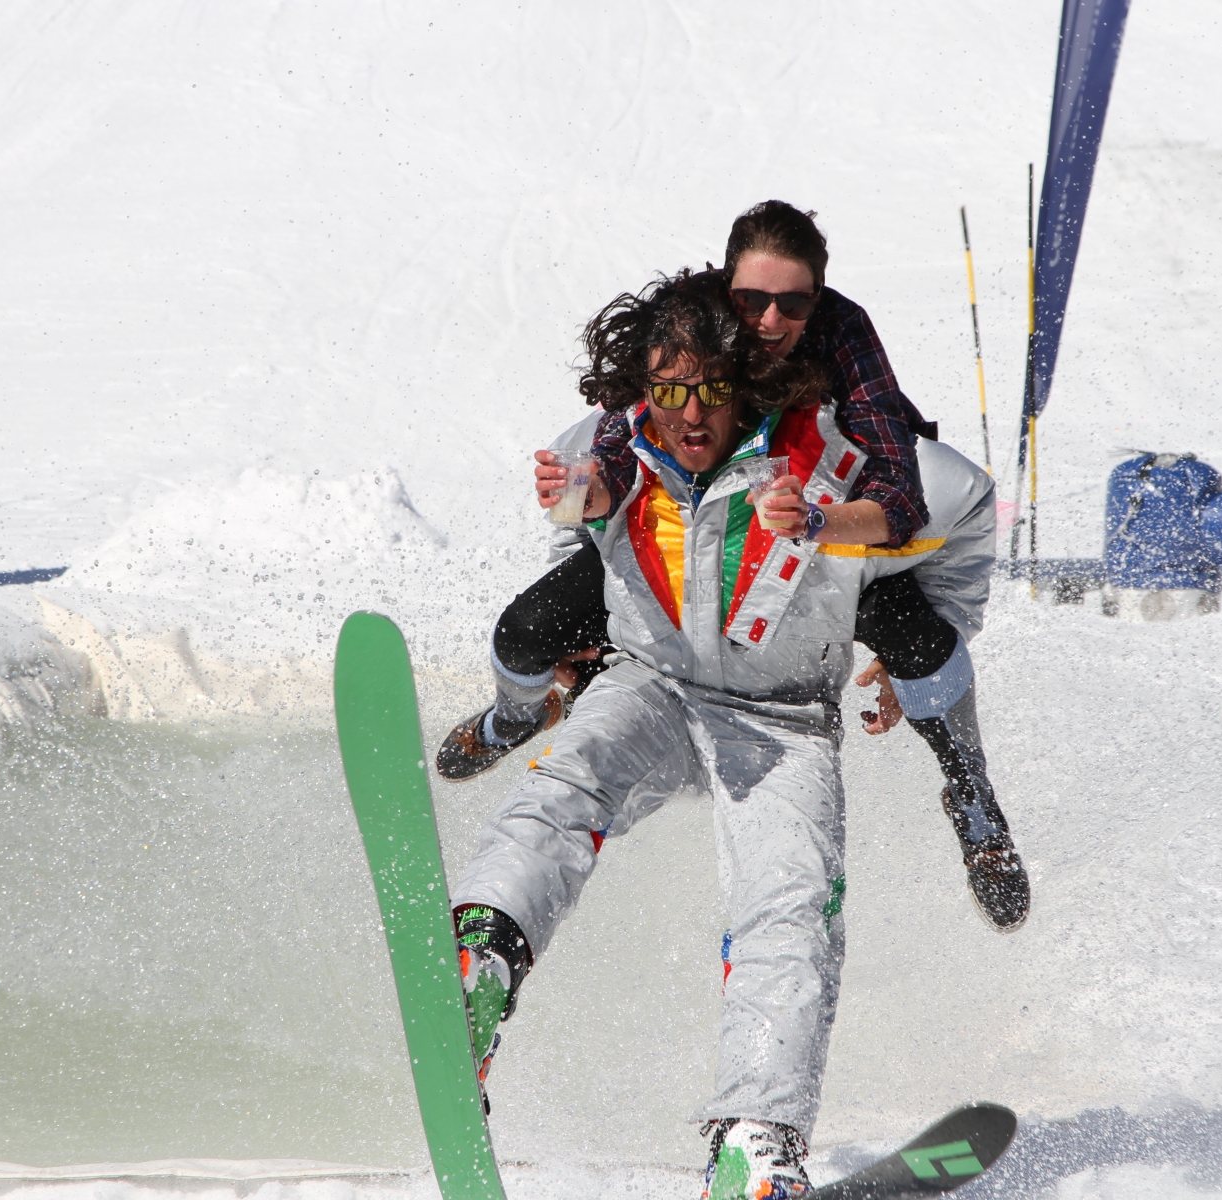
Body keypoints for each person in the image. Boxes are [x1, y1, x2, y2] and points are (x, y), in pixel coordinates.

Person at [450, 270, 998, 1200]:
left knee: (788, 906)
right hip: (650, 683)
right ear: (642, 389)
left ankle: (755, 1139)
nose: (690, 413)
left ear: (743, 380)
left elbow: (973, 507)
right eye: (668, 391)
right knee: (562, 788)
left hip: (781, 719)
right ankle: (479, 961)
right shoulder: (605, 443)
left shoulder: (836, 454)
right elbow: (573, 546)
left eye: (709, 388)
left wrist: (922, 641)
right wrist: (579, 637)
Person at [438, 201, 1027, 929]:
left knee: (914, 633)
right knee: (528, 627)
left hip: (822, 552)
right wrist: (589, 572)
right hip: (675, 559)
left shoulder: (841, 375)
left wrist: (936, 621)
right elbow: (595, 463)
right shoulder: (684, 351)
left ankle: (969, 785)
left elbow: (946, 502)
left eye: (793, 303)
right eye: (752, 301)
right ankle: (516, 714)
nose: (771, 321)